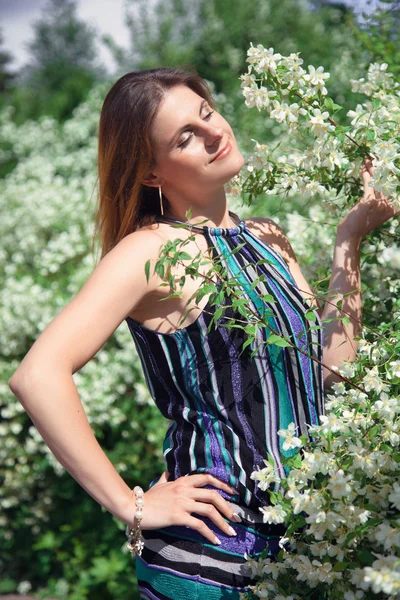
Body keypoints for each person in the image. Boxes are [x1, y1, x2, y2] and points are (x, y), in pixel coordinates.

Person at [8, 67, 398, 600]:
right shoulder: (151, 251)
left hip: (299, 553)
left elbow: (332, 372)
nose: (214, 133)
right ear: (150, 172)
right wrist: (132, 504)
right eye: (185, 137)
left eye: (206, 114)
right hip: (210, 560)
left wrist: (348, 240)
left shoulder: (266, 235)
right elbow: (37, 374)